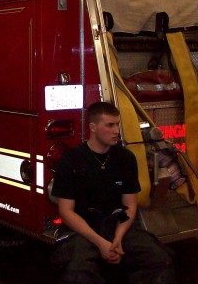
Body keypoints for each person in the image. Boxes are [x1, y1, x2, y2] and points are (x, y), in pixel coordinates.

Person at [51, 101, 177, 284]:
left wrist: (117, 238)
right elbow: (66, 211)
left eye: (117, 124)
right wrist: (101, 243)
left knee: (159, 259)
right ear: (93, 127)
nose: (116, 130)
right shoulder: (72, 159)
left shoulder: (125, 158)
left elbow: (129, 204)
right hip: (84, 229)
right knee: (78, 272)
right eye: (110, 125)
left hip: (118, 225)